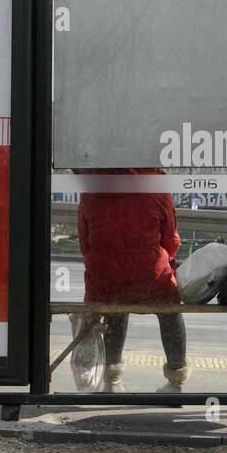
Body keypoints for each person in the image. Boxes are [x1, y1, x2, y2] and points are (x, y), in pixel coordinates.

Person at [77, 168, 188, 393]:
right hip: (150, 279)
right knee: (170, 309)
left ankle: (112, 380)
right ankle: (176, 381)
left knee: (115, 302)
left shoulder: (93, 183)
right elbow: (171, 239)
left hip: (104, 281)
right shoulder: (155, 183)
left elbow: (84, 240)